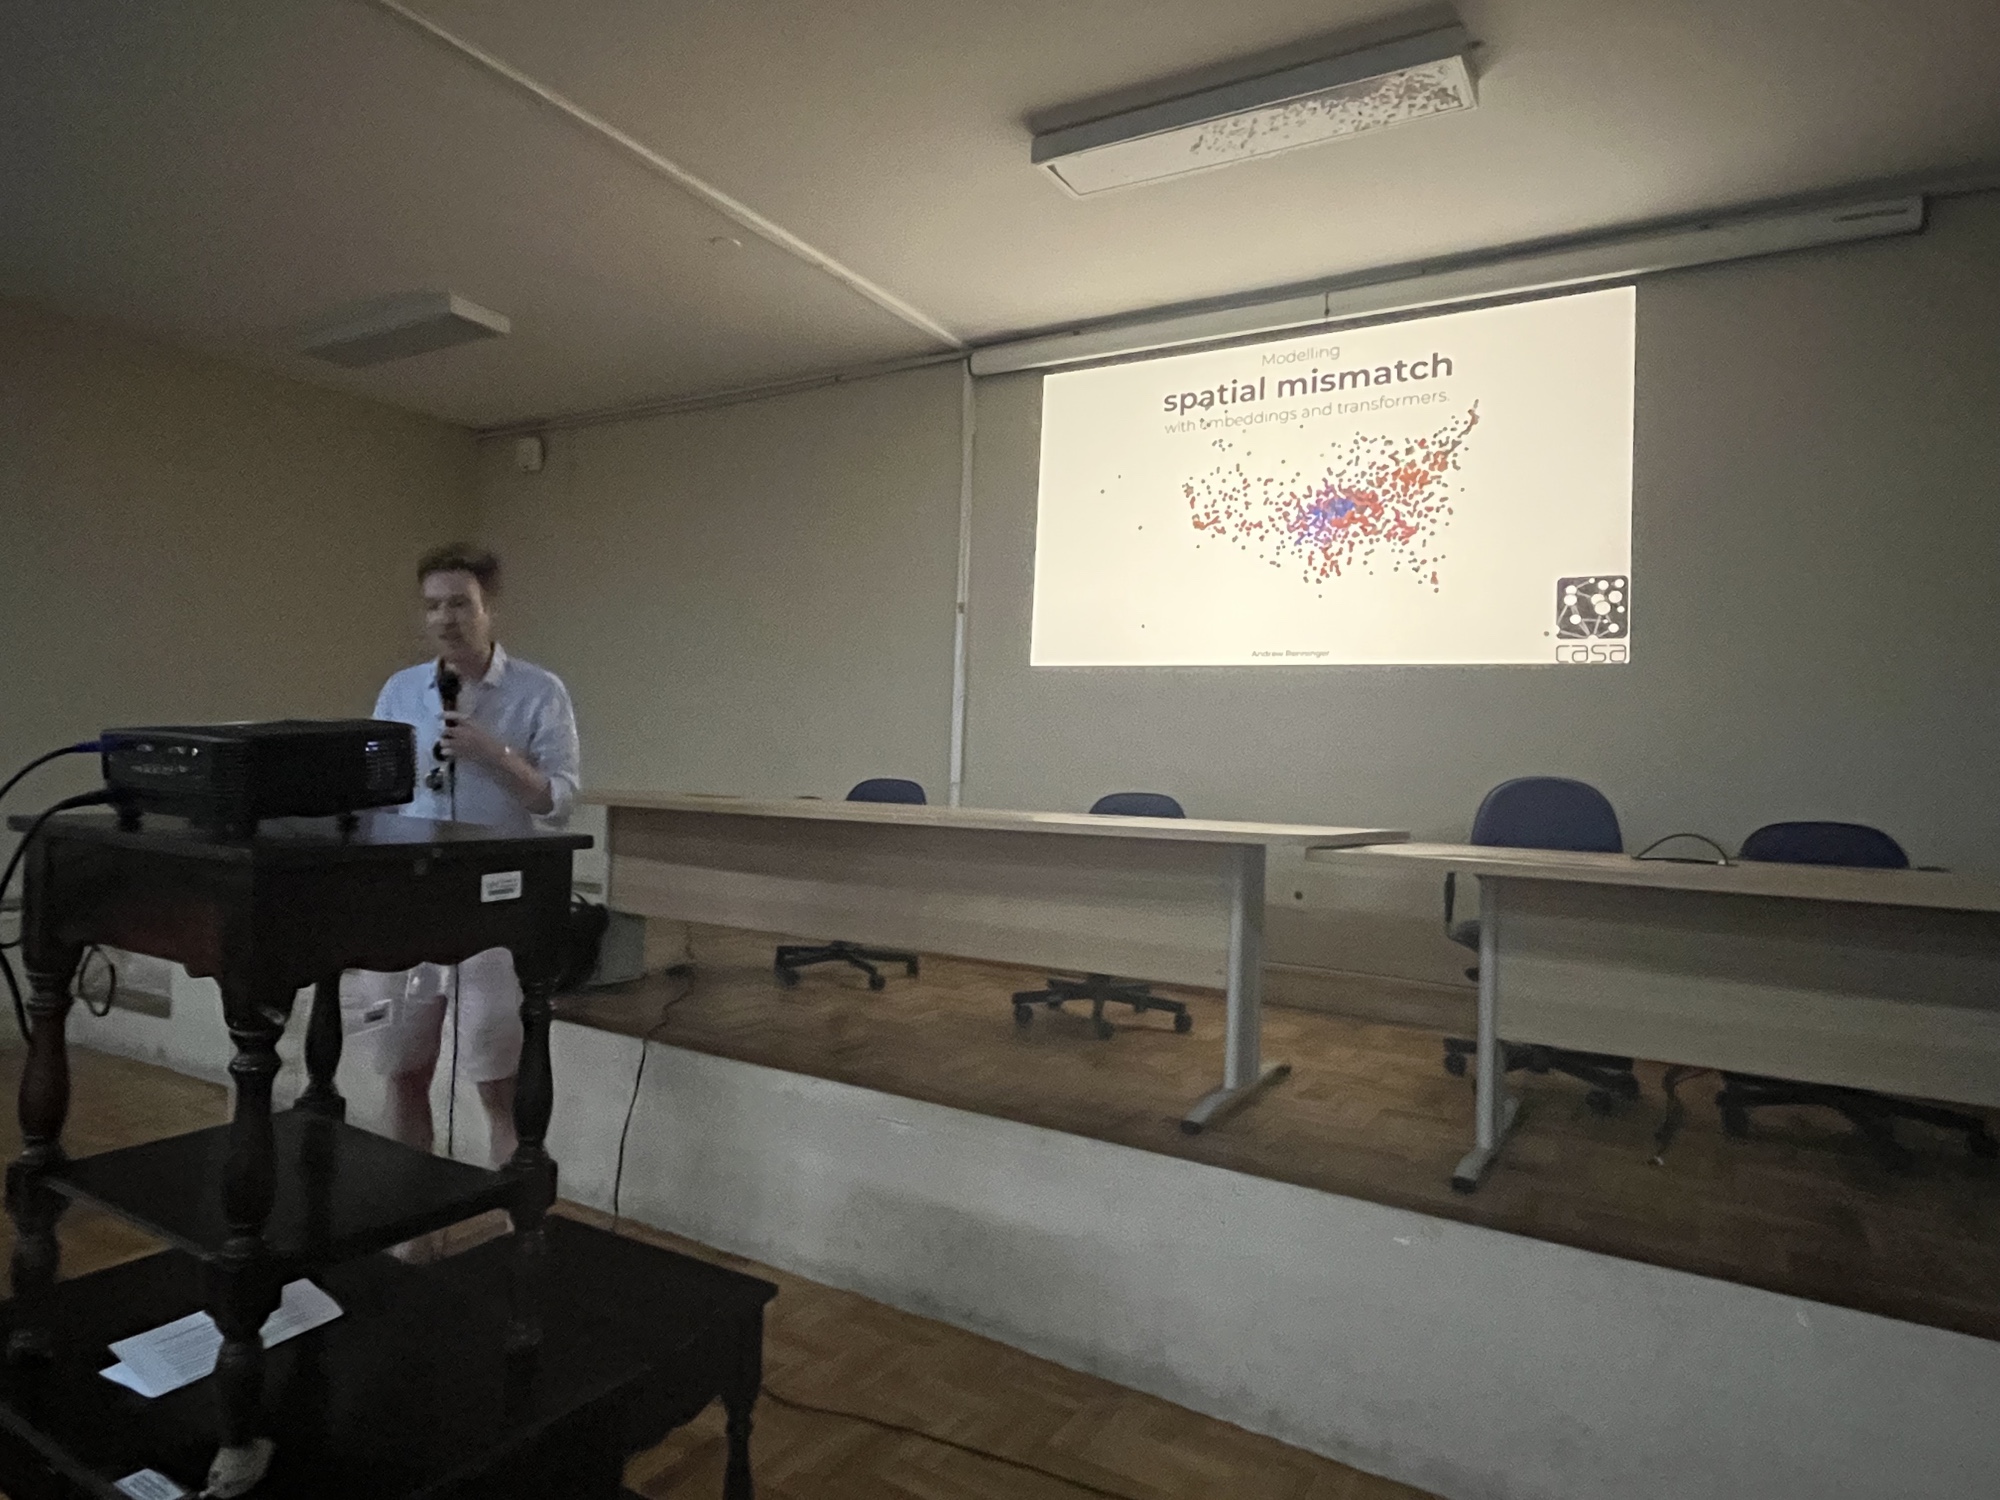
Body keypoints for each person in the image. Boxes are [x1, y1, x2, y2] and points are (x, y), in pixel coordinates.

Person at [354, 543, 581, 1166]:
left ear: (489, 609)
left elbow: (559, 803)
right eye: (433, 606)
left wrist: (495, 755)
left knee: (496, 1082)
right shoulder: (402, 691)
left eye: (459, 603)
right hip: (408, 900)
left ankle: (513, 1210)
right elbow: (376, 793)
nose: (444, 619)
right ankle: (411, 1214)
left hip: (493, 907)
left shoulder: (538, 692)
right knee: (403, 1071)